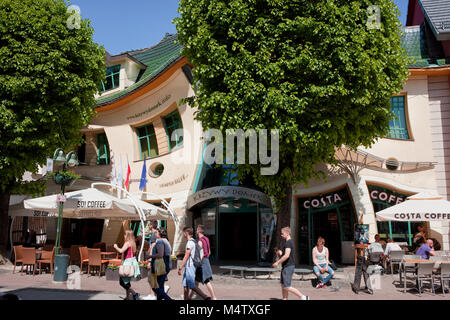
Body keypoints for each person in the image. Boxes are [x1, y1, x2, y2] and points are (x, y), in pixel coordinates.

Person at [272, 227, 309, 300]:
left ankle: (303, 297)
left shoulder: (289, 243)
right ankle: (285, 299)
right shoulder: (287, 243)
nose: (281, 235)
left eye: (282, 233)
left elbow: (287, 255)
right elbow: (285, 254)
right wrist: (280, 252)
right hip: (286, 266)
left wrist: (277, 262)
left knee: (287, 286)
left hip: (288, 266)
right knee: (283, 285)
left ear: (287, 233)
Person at [178, 227, 210, 300]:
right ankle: (186, 298)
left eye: (184, 232)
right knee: (185, 284)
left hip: (190, 266)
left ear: (186, 233)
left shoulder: (189, 242)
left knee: (192, 285)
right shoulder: (194, 241)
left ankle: (206, 297)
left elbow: (186, 255)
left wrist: (180, 267)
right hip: (190, 266)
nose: (183, 234)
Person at [189, 225, 217, 300]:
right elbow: (209, 252)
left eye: (197, 230)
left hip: (202, 263)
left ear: (199, 231)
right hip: (206, 260)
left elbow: (200, 255)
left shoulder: (200, 241)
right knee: (196, 282)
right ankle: (190, 297)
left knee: (206, 281)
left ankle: (214, 297)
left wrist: (197, 263)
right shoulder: (207, 239)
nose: (196, 231)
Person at [146, 228, 172, 300]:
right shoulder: (166, 241)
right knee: (160, 287)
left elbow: (160, 254)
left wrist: (150, 256)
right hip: (165, 266)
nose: (155, 234)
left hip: (160, 266)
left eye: (157, 232)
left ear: (160, 234)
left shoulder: (160, 241)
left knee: (155, 287)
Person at [114, 230, 141, 300]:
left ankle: (135, 294)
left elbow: (121, 251)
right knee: (127, 281)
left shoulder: (127, 243)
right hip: (132, 262)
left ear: (128, 235)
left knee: (122, 282)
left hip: (127, 263)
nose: (124, 236)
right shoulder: (133, 243)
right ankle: (128, 297)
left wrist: (116, 246)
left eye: (125, 234)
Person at [141, 220, 159, 300]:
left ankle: (152, 295)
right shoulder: (157, 234)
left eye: (149, 224)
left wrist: (149, 261)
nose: (148, 225)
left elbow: (152, 248)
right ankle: (155, 293)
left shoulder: (153, 235)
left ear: (151, 225)